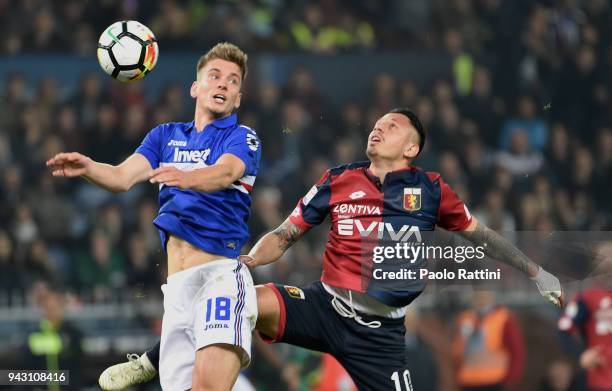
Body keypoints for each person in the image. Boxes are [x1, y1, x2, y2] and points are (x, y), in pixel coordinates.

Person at [102, 108, 563, 390]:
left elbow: (481, 236)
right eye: (377, 123)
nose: (378, 129)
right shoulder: (339, 179)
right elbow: (285, 234)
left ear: (412, 146)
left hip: (380, 337)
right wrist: (248, 260)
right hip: (324, 306)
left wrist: (536, 271)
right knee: (231, 294)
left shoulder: (432, 190)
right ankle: (150, 362)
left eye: (392, 125)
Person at [47, 42, 261, 391]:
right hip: (177, 291)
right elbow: (121, 178)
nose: (223, 84)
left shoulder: (242, 137)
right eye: (215, 76)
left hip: (219, 278)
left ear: (238, 98)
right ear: (196, 87)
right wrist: (89, 168)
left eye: (233, 81)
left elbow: (226, 172)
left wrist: (188, 177)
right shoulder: (165, 136)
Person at [558, 242, 612, 391]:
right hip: (599, 379)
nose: (608, 260)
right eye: (603, 257)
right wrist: (581, 354)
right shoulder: (587, 298)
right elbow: (563, 330)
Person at [452, 290, 526, 391]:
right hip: (468, 380)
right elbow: (457, 348)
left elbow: (516, 350)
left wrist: (511, 377)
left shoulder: (504, 319)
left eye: (485, 298)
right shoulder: (464, 319)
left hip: (495, 380)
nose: (481, 302)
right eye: (478, 298)